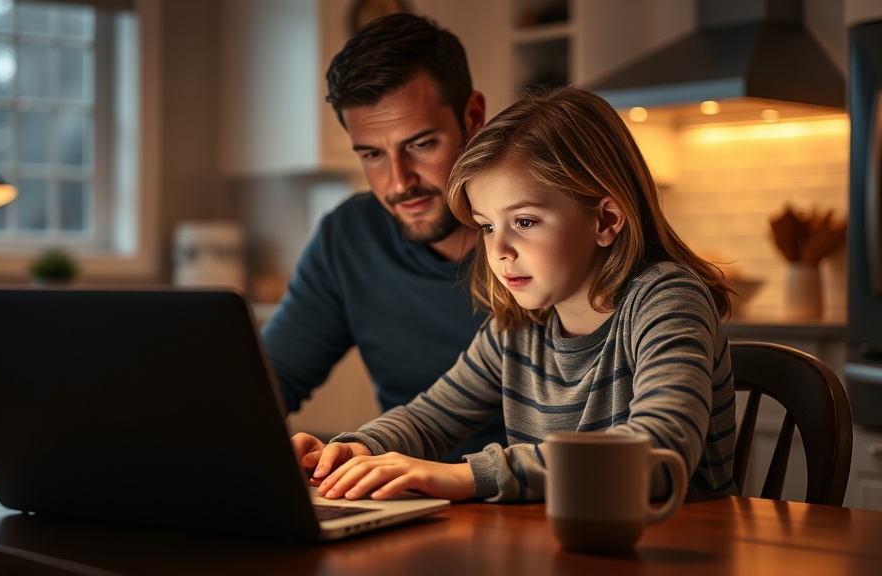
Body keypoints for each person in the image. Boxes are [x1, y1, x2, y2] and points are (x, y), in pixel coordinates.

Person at [291, 85, 739, 503]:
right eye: (487, 226)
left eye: (523, 221)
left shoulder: (666, 300)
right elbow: (430, 418)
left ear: (605, 220)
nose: (498, 250)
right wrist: (354, 448)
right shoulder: (518, 328)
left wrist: (466, 475)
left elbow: (659, 452)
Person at [261, 14, 506, 460]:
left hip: (537, 499)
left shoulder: (544, 240)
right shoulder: (350, 238)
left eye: (420, 144)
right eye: (372, 154)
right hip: (408, 500)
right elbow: (264, 384)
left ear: (473, 117)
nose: (398, 183)